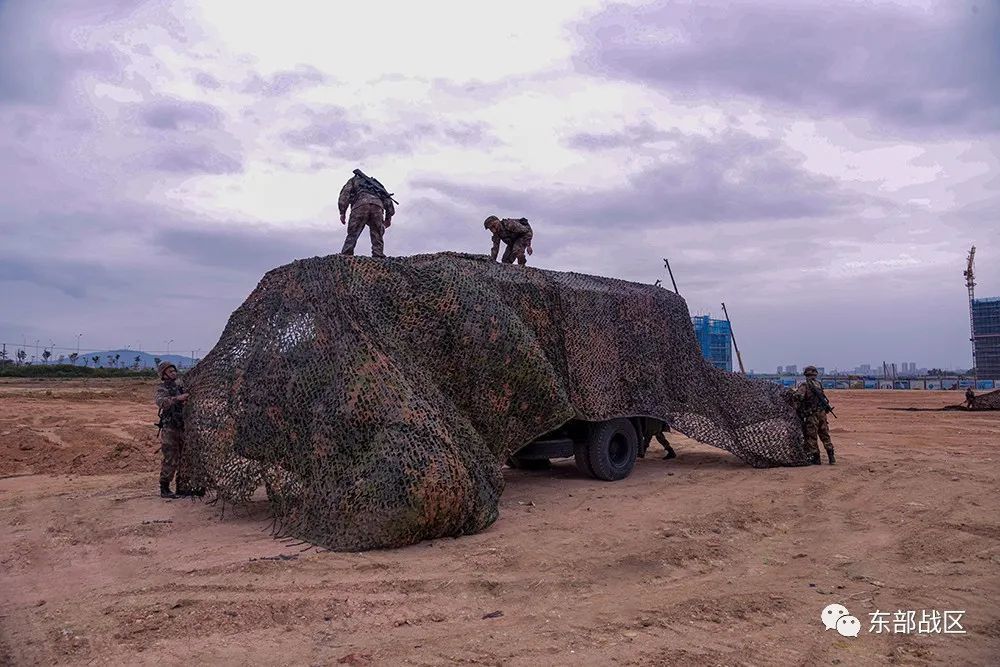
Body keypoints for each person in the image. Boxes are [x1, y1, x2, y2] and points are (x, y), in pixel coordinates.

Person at [154, 361, 195, 498]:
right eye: (170, 371)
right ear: (163, 374)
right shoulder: (162, 389)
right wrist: (178, 399)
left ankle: (182, 487)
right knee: (170, 458)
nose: (174, 373)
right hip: (170, 428)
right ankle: (164, 488)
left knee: (185, 458)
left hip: (182, 426)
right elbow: (162, 403)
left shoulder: (179, 387)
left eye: (174, 371)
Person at [338, 169, 396, 258]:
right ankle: (378, 255)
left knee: (353, 233)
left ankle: (347, 255)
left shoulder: (354, 180)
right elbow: (387, 198)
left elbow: (345, 195)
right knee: (377, 233)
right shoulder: (376, 184)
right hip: (377, 206)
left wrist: (342, 212)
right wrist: (388, 217)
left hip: (360, 205)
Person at [791, 366, 836, 465]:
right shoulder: (818, 384)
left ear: (806, 374)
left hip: (812, 415)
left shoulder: (805, 385)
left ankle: (816, 459)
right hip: (822, 414)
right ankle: (831, 457)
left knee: (811, 437)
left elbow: (799, 397)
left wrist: (793, 396)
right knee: (825, 435)